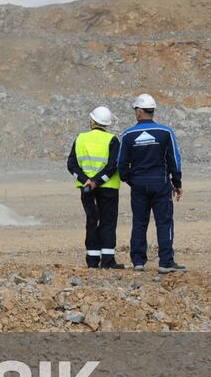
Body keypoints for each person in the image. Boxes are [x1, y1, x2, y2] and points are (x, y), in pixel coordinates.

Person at [118, 94, 186, 273]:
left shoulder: (128, 134)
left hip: (139, 184)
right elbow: (174, 159)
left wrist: (131, 180)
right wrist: (176, 182)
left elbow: (121, 164)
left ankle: (138, 261)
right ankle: (166, 262)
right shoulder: (165, 132)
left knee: (139, 223)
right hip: (160, 183)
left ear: (139, 112)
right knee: (164, 222)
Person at [66, 106, 123, 268]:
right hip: (108, 188)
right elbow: (113, 166)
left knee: (92, 220)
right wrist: (97, 181)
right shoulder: (112, 140)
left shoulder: (80, 139)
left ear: (92, 121)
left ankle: (92, 260)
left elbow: (71, 164)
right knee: (108, 221)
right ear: (107, 124)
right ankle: (107, 260)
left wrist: (86, 181)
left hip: (86, 189)